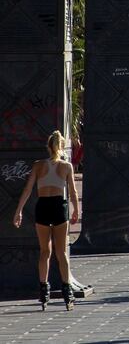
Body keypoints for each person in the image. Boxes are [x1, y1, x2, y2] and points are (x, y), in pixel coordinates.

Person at [12, 130, 81, 310]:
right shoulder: (66, 166)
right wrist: (76, 210)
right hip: (59, 206)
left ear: (48, 147)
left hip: (43, 206)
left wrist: (18, 210)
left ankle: (44, 290)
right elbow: (72, 191)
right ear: (61, 146)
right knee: (61, 252)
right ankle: (67, 291)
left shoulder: (38, 165)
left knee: (45, 251)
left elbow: (28, 189)